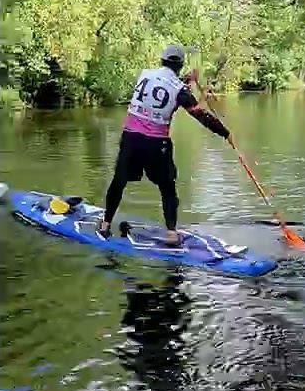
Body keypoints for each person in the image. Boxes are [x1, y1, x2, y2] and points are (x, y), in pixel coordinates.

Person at [98, 45, 233, 245]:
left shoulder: (144, 74)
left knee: (119, 181)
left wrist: (185, 81)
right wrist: (225, 133)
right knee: (167, 187)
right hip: (156, 144)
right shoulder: (180, 91)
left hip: (131, 139)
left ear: (162, 61)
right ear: (179, 66)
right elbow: (200, 114)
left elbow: (160, 89)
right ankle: (171, 233)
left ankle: (105, 225)